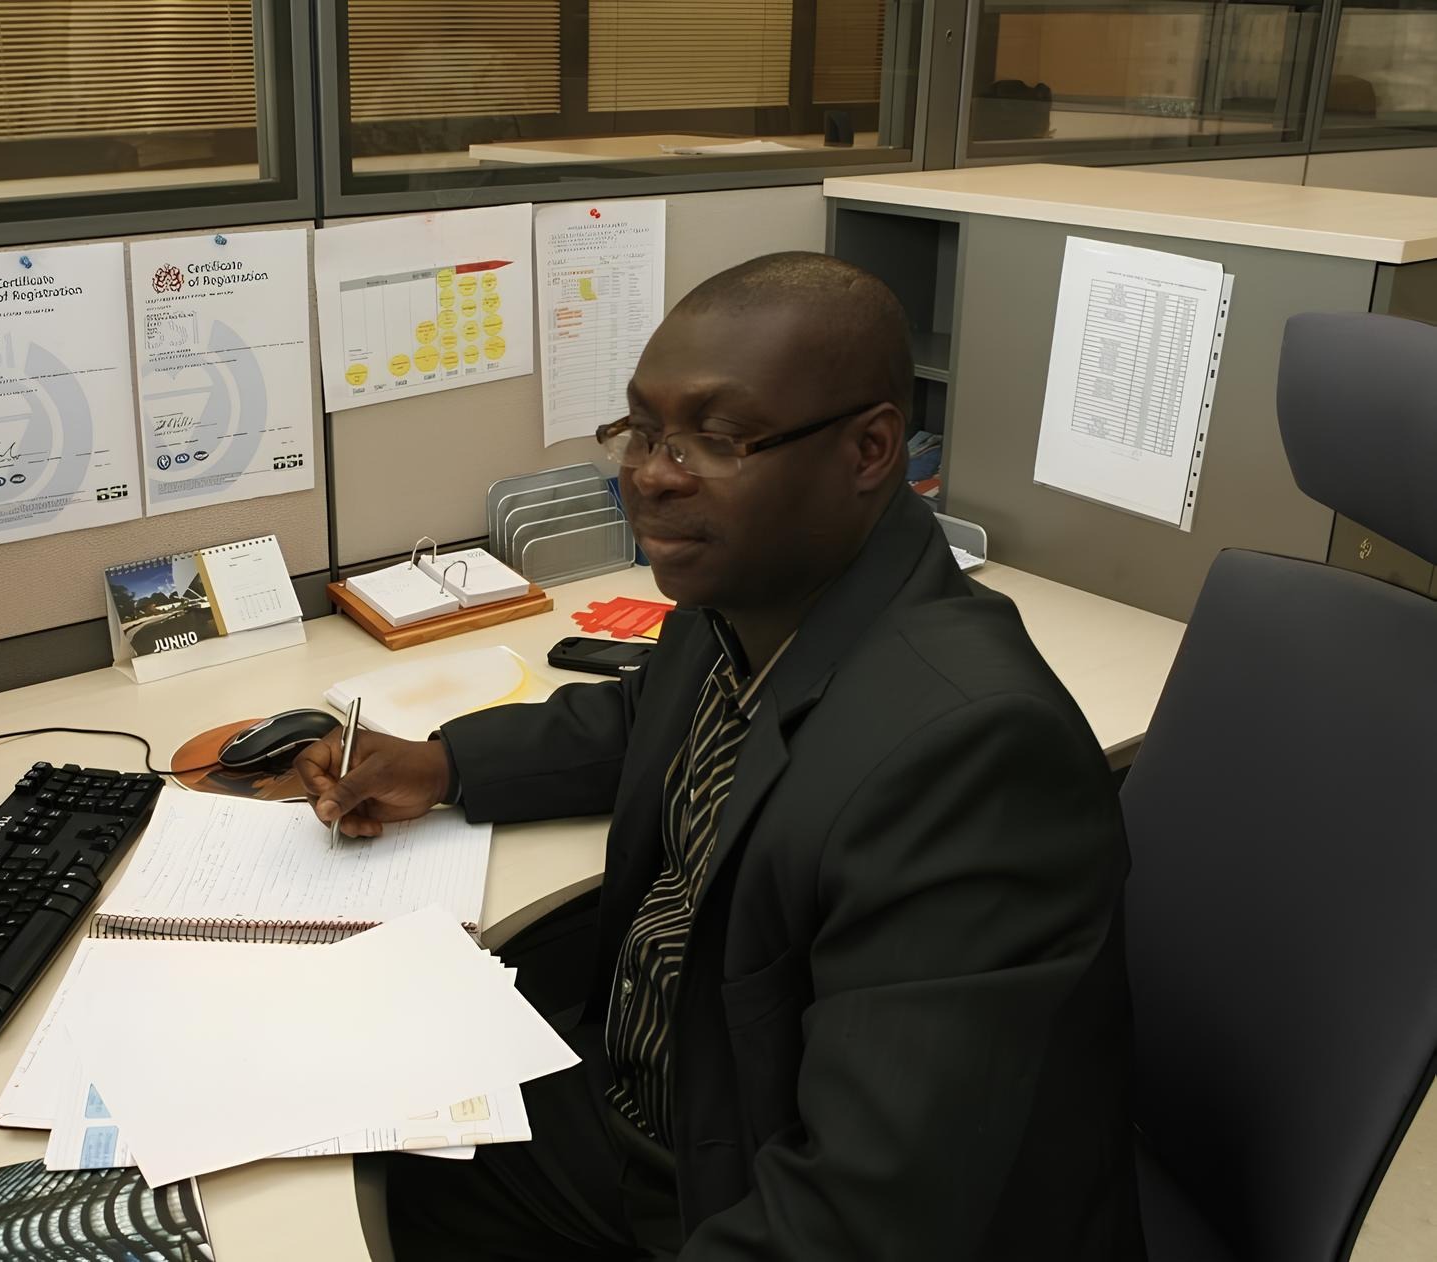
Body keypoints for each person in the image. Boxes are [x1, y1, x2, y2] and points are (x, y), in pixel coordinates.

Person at [296, 252, 1144, 1261]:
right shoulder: (753, 590)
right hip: (673, 1087)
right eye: (644, 430)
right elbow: (644, 716)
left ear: (870, 448)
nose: (654, 472)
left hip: (729, 1180)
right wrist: (442, 766)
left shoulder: (970, 756)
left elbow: (858, 1216)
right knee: (368, 1133)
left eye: (718, 437)